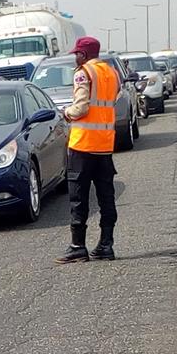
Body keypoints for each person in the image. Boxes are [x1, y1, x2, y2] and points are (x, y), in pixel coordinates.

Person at [56, 36, 120, 264]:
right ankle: (106, 244)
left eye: (77, 53)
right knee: (106, 197)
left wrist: (66, 112)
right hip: (104, 144)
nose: (75, 57)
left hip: (83, 144)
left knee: (78, 198)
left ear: (84, 54)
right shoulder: (111, 73)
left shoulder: (83, 72)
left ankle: (77, 246)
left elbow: (82, 107)